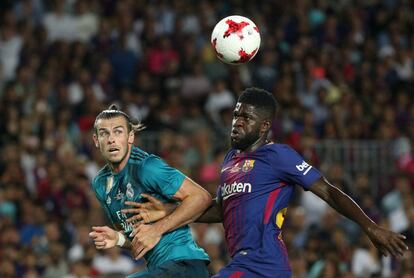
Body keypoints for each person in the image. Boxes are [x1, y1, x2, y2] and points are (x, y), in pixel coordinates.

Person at [123, 87, 409, 278]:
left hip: (263, 264)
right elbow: (222, 211)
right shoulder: (230, 160)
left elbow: (329, 193)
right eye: (236, 115)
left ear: (264, 126)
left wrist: (370, 227)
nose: (237, 122)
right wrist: (170, 213)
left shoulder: (278, 156)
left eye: (246, 117)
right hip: (245, 264)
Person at [88, 104, 212, 278]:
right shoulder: (100, 184)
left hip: (184, 264)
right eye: (104, 133)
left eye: (118, 132)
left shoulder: (147, 167)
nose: (111, 139)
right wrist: (118, 239)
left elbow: (201, 197)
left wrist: (157, 229)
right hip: (159, 269)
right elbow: (138, 238)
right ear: (96, 140)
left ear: (130, 136)